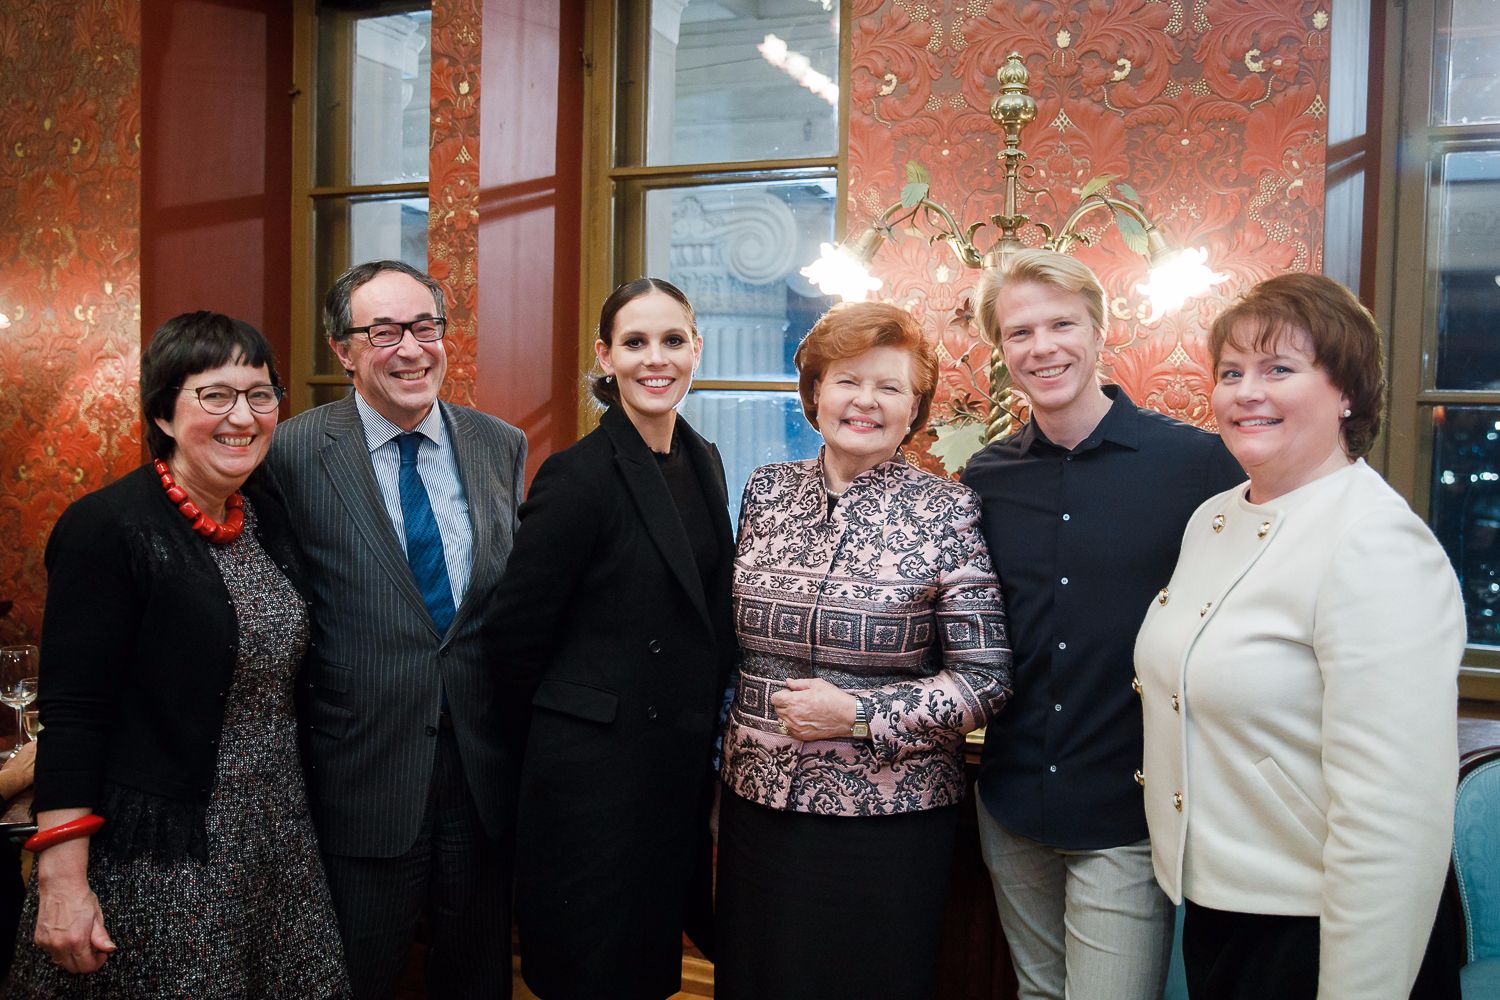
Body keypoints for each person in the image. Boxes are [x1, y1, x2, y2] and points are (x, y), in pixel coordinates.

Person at [1135, 273, 1466, 999]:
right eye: (1231, 373)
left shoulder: (1376, 543)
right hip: (1222, 907)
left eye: (1278, 369)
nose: (1246, 393)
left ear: (1347, 392)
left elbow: (1394, 818)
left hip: (1331, 926)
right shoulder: (1213, 518)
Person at [7, 312, 349, 996]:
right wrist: (62, 882)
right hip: (164, 852)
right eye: (215, 395)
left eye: (259, 394)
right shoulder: (108, 529)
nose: (242, 417)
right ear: (163, 412)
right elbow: (74, 718)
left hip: (278, 837)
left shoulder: (263, 513)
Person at [959, 249, 1244, 1000]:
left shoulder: (1197, 464)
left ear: (1098, 330)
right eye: (1019, 332)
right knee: (1038, 994)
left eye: (1062, 325)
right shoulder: (984, 477)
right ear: (1000, 349)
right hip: (1011, 799)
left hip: (1127, 807)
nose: (1042, 347)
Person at [714, 300, 1013, 1000]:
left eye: (890, 387)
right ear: (816, 391)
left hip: (887, 822)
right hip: (756, 808)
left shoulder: (947, 511)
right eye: (848, 380)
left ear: (914, 409)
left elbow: (985, 679)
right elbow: (729, 650)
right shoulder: (766, 491)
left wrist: (856, 713)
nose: (865, 401)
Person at [267, 260, 527, 999]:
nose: (411, 348)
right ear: (342, 349)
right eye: (383, 332)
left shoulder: (499, 444)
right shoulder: (291, 454)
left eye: (424, 327)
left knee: (477, 978)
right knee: (355, 976)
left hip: (481, 771)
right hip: (362, 770)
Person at [492, 277, 735, 999]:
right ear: (606, 357)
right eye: (635, 342)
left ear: (697, 348)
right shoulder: (577, 476)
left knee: (646, 967)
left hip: (671, 767)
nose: (655, 359)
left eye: (672, 340)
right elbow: (513, 637)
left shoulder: (704, 458)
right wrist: (548, 751)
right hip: (592, 778)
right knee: (590, 969)